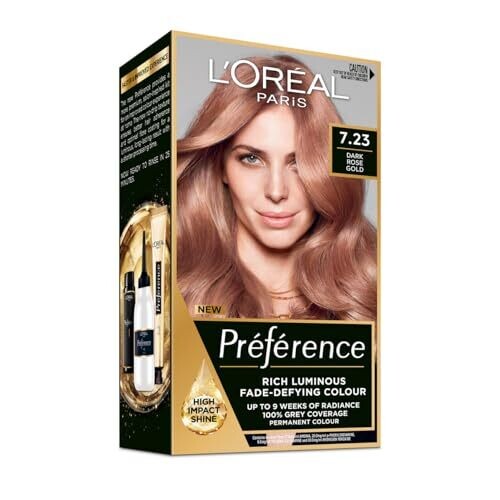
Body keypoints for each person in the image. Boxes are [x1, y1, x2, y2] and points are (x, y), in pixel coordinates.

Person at [177, 55, 376, 320]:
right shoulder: (178, 292)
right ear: (221, 165)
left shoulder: (370, 290)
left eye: (299, 163)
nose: (276, 191)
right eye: (251, 159)